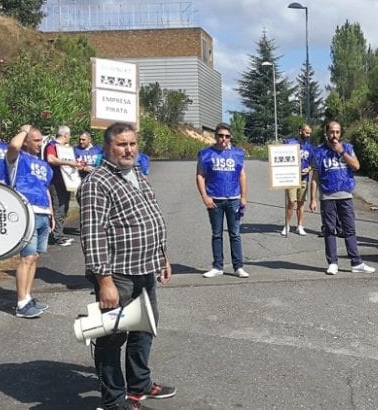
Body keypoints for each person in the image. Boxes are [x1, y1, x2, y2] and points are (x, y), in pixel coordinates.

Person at [79, 122, 176, 410]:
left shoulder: (135, 174)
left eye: (132, 143)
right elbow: (93, 235)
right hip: (117, 275)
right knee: (111, 338)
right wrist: (104, 281)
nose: (128, 149)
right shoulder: (97, 182)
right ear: (107, 147)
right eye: (122, 144)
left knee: (145, 329)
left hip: (145, 269)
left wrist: (162, 256)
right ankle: (113, 400)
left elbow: (151, 216)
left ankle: (139, 384)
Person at [309, 121, 376, 275]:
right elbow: (315, 177)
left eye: (337, 132)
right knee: (329, 230)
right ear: (326, 133)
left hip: (345, 195)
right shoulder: (318, 152)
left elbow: (356, 166)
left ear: (340, 133)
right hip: (327, 196)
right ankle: (332, 262)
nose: (334, 135)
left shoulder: (347, 148)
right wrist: (312, 199)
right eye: (331, 132)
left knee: (349, 229)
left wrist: (341, 152)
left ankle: (356, 262)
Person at [5, 125, 53, 318]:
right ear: (26, 141)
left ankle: (28, 296)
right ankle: (21, 302)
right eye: (36, 140)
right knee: (26, 257)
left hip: (43, 213)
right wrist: (25, 131)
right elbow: (13, 146)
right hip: (28, 212)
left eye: (41, 140)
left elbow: (45, 188)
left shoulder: (43, 164)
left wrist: (51, 213)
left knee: (35, 258)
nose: (39, 143)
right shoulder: (17, 159)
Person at [196, 123, 249, 279]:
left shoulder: (238, 154)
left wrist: (244, 197)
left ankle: (238, 266)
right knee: (217, 234)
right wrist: (204, 196)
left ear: (230, 137)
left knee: (235, 234)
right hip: (215, 200)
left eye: (226, 136)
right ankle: (217, 266)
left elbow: (242, 175)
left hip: (233, 199)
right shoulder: (205, 154)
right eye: (220, 135)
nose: (223, 139)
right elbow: (200, 175)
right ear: (215, 136)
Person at [43, 125, 79, 246]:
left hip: (66, 182)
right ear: (65, 135)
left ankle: (59, 233)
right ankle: (56, 236)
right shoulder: (52, 146)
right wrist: (69, 162)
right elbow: (50, 159)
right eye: (69, 135)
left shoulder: (64, 148)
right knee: (58, 207)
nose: (69, 137)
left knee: (64, 208)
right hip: (55, 181)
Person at [280, 124, 314, 237]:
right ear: (300, 131)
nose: (308, 135)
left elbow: (312, 163)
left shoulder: (309, 147)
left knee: (301, 203)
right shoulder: (289, 143)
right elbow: (280, 156)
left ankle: (300, 226)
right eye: (306, 132)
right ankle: (287, 225)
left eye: (309, 133)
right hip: (291, 178)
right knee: (291, 202)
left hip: (304, 178)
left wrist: (308, 169)